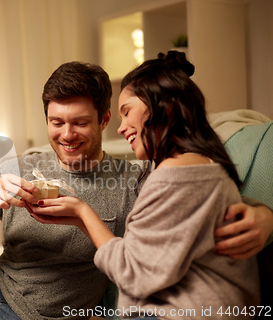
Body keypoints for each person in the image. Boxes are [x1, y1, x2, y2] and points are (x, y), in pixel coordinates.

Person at [0, 61, 273, 320]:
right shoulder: (24, 167)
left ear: (105, 120)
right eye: (56, 122)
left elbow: (200, 191)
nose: (66, 134)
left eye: (79, 122)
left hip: (42, 315)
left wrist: (263, 214)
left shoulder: (136, 177)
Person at [29, 52, 264, 319]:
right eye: (57, 122)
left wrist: (83, 212)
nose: (121, 128)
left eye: (127, 112)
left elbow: (132, 272)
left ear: (166, 109)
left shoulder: (172, 174)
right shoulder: (194, 167)